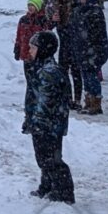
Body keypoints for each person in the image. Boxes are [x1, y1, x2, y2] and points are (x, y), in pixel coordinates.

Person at [25, 30, 75, 203]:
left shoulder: (49, 72)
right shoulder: (40, 67)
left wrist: (37, 122)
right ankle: (47, 185)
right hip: (43, 123)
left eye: (32, 48)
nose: (29, 51)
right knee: (43, 158)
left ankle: (64, 191)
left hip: (49, 125)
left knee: (51, 159)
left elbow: (45, 102)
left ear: (43, 49)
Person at [69, 0, 108, 115]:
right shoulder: (79, 10)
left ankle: (95, 102)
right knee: (85, 76)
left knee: (92, 76)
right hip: (82, 50)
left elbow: (96, 35)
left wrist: (92, 50)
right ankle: (88, 101)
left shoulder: (95, 12)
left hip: (93, 51)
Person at [15, 0, 49, 133]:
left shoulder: (42, 20)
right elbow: (19, 35)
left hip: (39, 58)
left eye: (33, 5)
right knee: (30, 87)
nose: (30, 8)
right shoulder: (23, 20)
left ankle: (38, 116)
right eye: (29, 5)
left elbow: (47, 37)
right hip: (27, 58)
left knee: (39, 87)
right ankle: (29, 117)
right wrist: (17, 48)